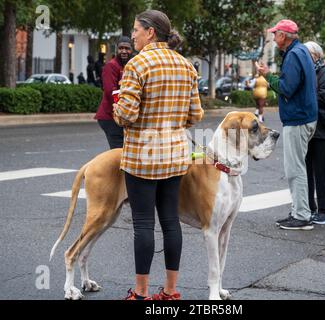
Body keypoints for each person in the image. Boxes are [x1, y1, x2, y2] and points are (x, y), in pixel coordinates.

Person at [113, 10, 203, 300]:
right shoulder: (186, 66)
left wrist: (116, 111)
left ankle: (140, 293)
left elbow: (127, 114)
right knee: (170, 222)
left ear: (150, 32)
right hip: (175, 155)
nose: (133, 35)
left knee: (142, 223)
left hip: (142, 156)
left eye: (136, 30)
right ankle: (171, 291)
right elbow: (195, 116)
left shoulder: (137, 65)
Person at [256, 19, 318, 230]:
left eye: (275, 34)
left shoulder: (293, 55)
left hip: (298, 118)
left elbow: (287, 88)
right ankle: (300, 211)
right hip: (305, 116)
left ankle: (301, 215)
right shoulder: (301, 52)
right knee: (298, 167)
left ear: (283, 36)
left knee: (295, 169)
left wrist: (267, 77)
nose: (273, 38)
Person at [304, 41, 325, 225]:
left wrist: (305, 97)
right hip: (310, 130)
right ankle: (309, 208)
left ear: (316, 55)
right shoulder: (308, 72)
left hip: (324, 131)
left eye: (307, 54)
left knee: (322, 174)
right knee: (307, 172)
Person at [94, 36, 133, 149]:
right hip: (110, 117)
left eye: (127, 48)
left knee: (124, 151)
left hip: (120, 116)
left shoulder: (128, 66)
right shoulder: (111, 66)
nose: (124, 51)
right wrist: (121, 108)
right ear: (116, 50)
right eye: (121, 48)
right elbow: (111, 91)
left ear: (131, 50)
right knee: (119, 152)